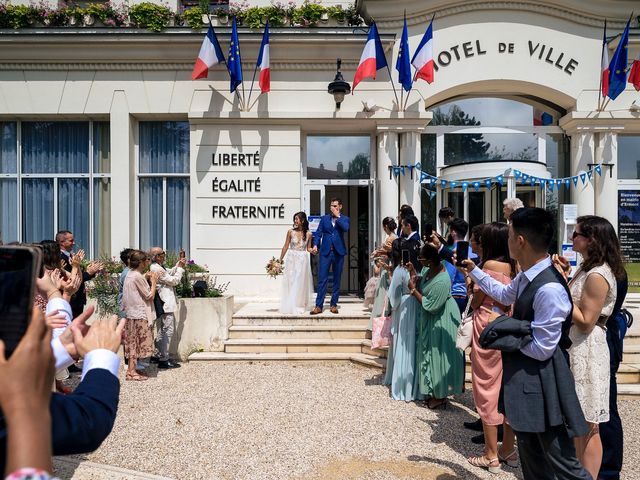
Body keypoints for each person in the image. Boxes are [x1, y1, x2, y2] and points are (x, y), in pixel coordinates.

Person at [460, 207, 590, 480]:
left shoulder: (549, 288)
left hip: (545, 383)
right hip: (525, 381)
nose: (507, 241)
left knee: (562, 464)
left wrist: (506, 336)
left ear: (520, 241)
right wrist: (475, 271)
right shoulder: (527, 275)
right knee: (532, 460)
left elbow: (543, 347)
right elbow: (506, 295)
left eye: (509, 235)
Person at [554, 215, 624, 480]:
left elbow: (585, 320)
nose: (572, 238)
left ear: (592, 239)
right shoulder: (586, 268)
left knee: (589, 423)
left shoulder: (597, 274)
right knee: (578, 421)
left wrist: (558, 291)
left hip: (589, 347)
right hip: (578, 347)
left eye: (577, 234)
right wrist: (565, 278)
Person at [466, 223, 517, 473]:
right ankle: (508, 448)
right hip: (509, 327)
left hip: (487, 326)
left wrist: (471, 285)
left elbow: (477, 300)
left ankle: (491, 454)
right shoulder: (515, 266)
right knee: (506, 389)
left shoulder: (488, 267)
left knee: (486, 386)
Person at [407, 244, 464, 409]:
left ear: (430, 261)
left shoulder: (442, 279)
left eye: (421, 259)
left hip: (442, 317)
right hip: (433, 316)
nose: (419, 261)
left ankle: (441, 396)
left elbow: (430, 306)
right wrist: (413, 272)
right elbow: (421, 285)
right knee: (431, 352)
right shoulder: (428, 270)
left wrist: (412, 290)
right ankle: (434, 391)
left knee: (439, 354)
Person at [599, 269, 628, 480]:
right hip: (608, 340)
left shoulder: (609, 273)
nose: (574, 239)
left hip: (605, 341)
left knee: (606, 409)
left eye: (579, 235)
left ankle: (609, 468)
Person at [382, 250, 420, 401]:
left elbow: (393, 297)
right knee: (410, 343)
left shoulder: (399, 269)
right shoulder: (411, 269)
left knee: (402, 342)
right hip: (414, 304)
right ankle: (410, 383)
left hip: (404, 306)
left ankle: (402, 381)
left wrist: (392, 308)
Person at [121, 250, 161, 380]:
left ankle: (131, 371)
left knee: (133, 343)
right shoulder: (137, 276)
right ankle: (132, 372)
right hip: (139, 314)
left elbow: (135, 286)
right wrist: (154, 282)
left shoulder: (130, 274)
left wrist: (146, 277)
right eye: (145, 261)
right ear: (141, 262)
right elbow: (149, 295)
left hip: (131, 313)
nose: (147, 263)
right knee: (138, 344)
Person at [311, 198, 350, 315]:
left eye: (335, 206)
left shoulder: (344, 219)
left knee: (337, 279)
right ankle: (318, 305)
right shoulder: (324, 219)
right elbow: (318, 233)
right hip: (325, 252)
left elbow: (346, 228)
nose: (333, 208)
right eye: (331, 206)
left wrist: (338, 217)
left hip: (338, 252)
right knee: (322, 279)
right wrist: (315, 245)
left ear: (340, 207)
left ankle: (333, 304)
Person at [150, 247, 185, 369]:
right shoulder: (155, 268)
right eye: (163, 253)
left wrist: (179, 263)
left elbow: (169, 271)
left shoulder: (159, 267)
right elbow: (173, 280)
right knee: (167, 330)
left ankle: (158, 355)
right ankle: (164, 359)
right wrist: (180, 268)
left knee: (162, 330)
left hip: (164, 302)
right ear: (158, 256)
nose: (165, 255)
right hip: (165, 302)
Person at [56, 230, 102, 318]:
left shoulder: (71, 256)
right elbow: (71, 279)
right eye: (71, 241)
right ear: (61, 242)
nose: (74, 243)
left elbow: (78, 275)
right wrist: (89, 273)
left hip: (77, 299)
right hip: (71, 299)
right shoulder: (60, 258)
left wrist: (90, 271)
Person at [279, 212, 314, 314]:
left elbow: (308, 248)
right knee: (291, 281)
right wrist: (280, 260)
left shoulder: (309, 234)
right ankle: (291, 304)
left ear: (302, 221)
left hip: (303, 260)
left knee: (301, 282)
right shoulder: (290, 232)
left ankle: (300, 304)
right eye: (294, 219)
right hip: (292, 259)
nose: (295, 221)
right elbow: (285, 246)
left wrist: (313, 250)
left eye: (297, 219)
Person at [369, 217, 398, 326]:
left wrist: (377, 253)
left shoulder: (391, 238)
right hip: (387, 266)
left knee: (383, 295)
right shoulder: (394, 237)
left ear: (385, 226)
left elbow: (387, 252)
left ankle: (380, 323)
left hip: (388, 268)